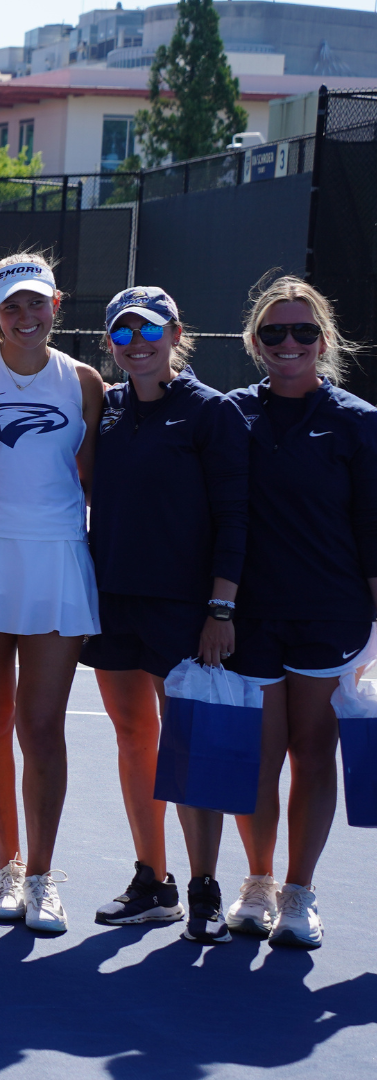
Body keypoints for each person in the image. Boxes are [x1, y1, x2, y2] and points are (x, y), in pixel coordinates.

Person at [79, 286, 247, 940]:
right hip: (114, 601)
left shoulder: (213, 413)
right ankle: (155, 880)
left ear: (176, 333)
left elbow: (235, 518)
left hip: (185, 609)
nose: (135, 344)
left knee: (187, 744)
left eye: (148, 331)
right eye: (122, 333)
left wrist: (220, 608)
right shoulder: (109, 410)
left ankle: (204, 886)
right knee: (132, 737)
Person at [0, 253, 105, 934]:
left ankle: (42, 876)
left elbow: (90, 482)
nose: (25, 316)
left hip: (57, 562)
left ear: (57, 305)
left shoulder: (86, 382)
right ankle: (7, 867)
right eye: (12, 306)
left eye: (36, 304)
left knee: (41, 725)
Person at [222, 277, 377, 949]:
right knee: (259, 756)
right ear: (256, 342)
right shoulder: (230, 414)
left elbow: (372, 532)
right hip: (247, 616)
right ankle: (256, 885)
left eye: (305, 332)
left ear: (325, 340)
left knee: (313, 752)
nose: (290, 344)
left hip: (328, 614)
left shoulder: (359, 422)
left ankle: (300, 892)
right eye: (276, 332)